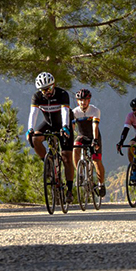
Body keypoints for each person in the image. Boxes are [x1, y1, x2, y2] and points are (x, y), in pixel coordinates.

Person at [26, 71, 75, 203]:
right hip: (48, 124)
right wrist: (30, 129)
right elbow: (33, 113)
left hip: (64, 124)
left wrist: (65, 127)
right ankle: (48, 162)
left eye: (48, 88)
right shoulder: (37, 97)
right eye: (42, 90)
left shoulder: (62, 94)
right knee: (35, 139)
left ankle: (69, 190)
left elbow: (65, 111)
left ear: (53, 85)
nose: (46, 92)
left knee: (66, 158)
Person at [72, 88, 106, 197]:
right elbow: (72, 127)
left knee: (96, 160)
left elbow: (95, 126)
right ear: (78, 101)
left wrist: (95, 140)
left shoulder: (95, 110)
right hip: (82, 136)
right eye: (81, 100)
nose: (83, 102)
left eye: (85, 100)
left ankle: (101, 184)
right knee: (75, 148)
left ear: (89, 100)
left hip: (94, 136)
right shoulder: (74, 112)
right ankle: (80, 173)